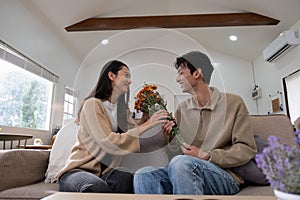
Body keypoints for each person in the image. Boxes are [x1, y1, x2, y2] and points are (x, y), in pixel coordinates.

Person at [133, 51, 257, 195]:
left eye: (181, 73)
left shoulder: (233, 103)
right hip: (184, 170)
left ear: (197, 73)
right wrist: (171, 138)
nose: (177, 79)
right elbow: (177, 155)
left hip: (223, 175)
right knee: (144, 175)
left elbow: (246, 148)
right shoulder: (182, 109)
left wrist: (208, 155)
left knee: (182, 163)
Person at [56, 60, 168, 193]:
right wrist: (148, 124)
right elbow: (108, 142)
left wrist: (146, 120)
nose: (130, 80)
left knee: (125, 178)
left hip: (106, 173)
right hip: (79, 170)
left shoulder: (121, 110)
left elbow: (132, 133)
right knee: (96, 187)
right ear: (111, 76)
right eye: (126, 75)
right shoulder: (92, 105)